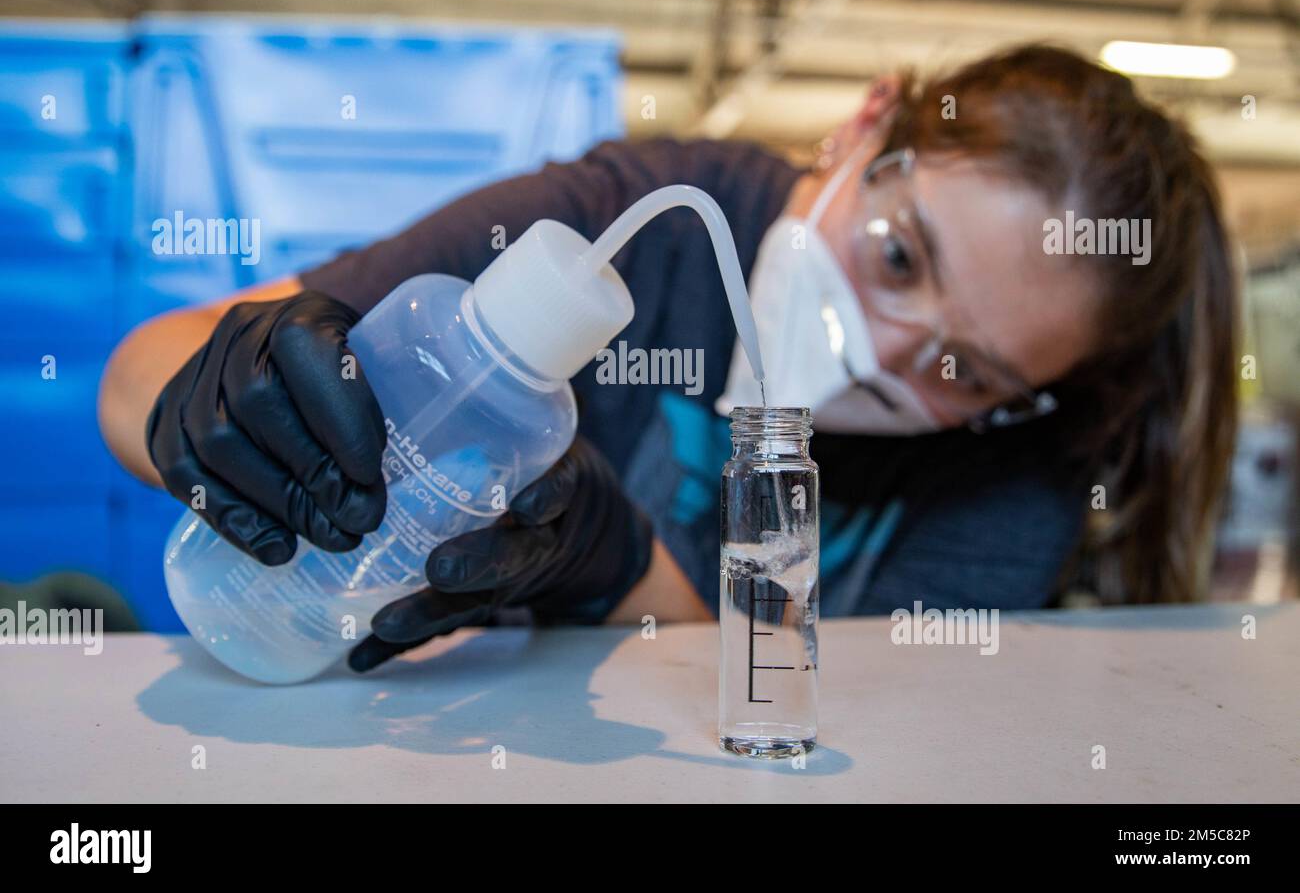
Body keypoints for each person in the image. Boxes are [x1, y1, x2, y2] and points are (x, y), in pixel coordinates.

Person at [98, 44, 1239, 672]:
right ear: (863, 126)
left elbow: (783, 704)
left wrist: (604, 553)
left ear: (1019, 401)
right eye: (896, 256)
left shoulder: (1019, 471)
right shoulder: (634, 217)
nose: (879, 351)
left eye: (963, 371)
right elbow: (145, 363)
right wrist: (214, 394)